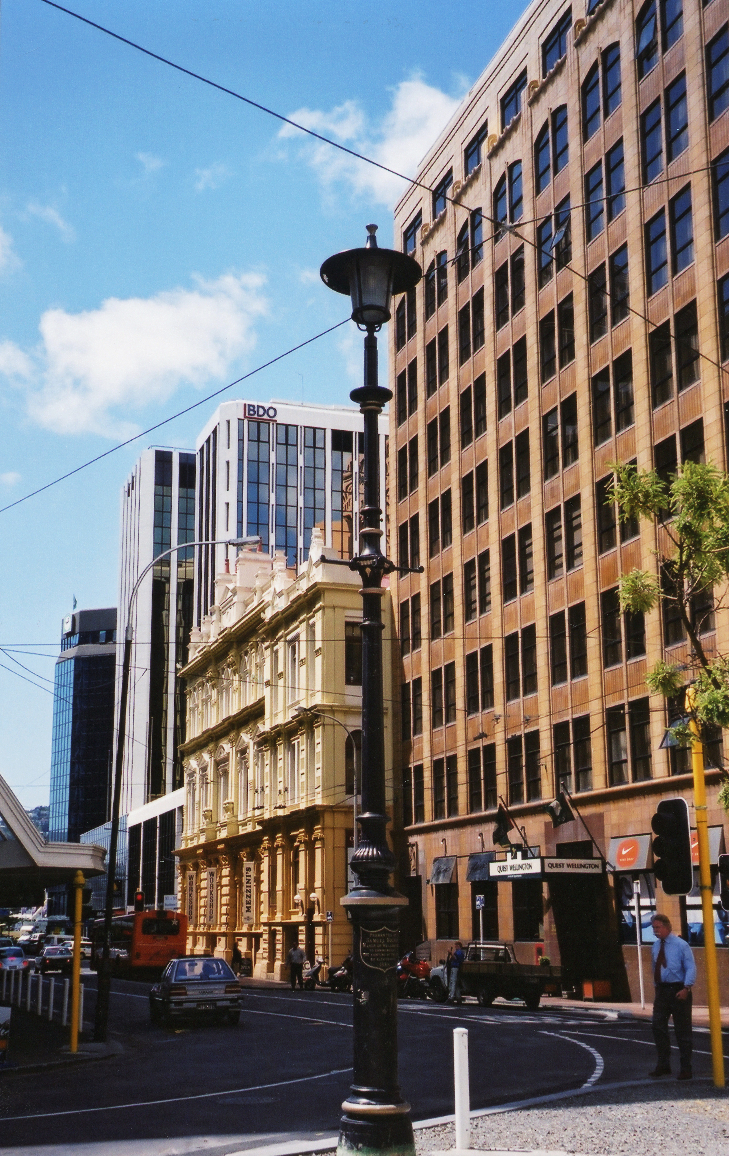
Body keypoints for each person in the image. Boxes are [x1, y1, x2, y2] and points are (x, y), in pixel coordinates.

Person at [650, 913, 696, 1080]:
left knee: (682, 1031)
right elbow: (654, 966)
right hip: (662, 991)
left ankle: (686, 1068)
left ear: (667, 927)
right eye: (653, 928)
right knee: (657, 1026)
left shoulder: (681, 945)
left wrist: (686, 987)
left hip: (679, 990)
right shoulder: (655, 946)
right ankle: (663, 1065)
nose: (655, 931)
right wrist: (656, 987)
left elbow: (690, 967)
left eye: (658, 927)